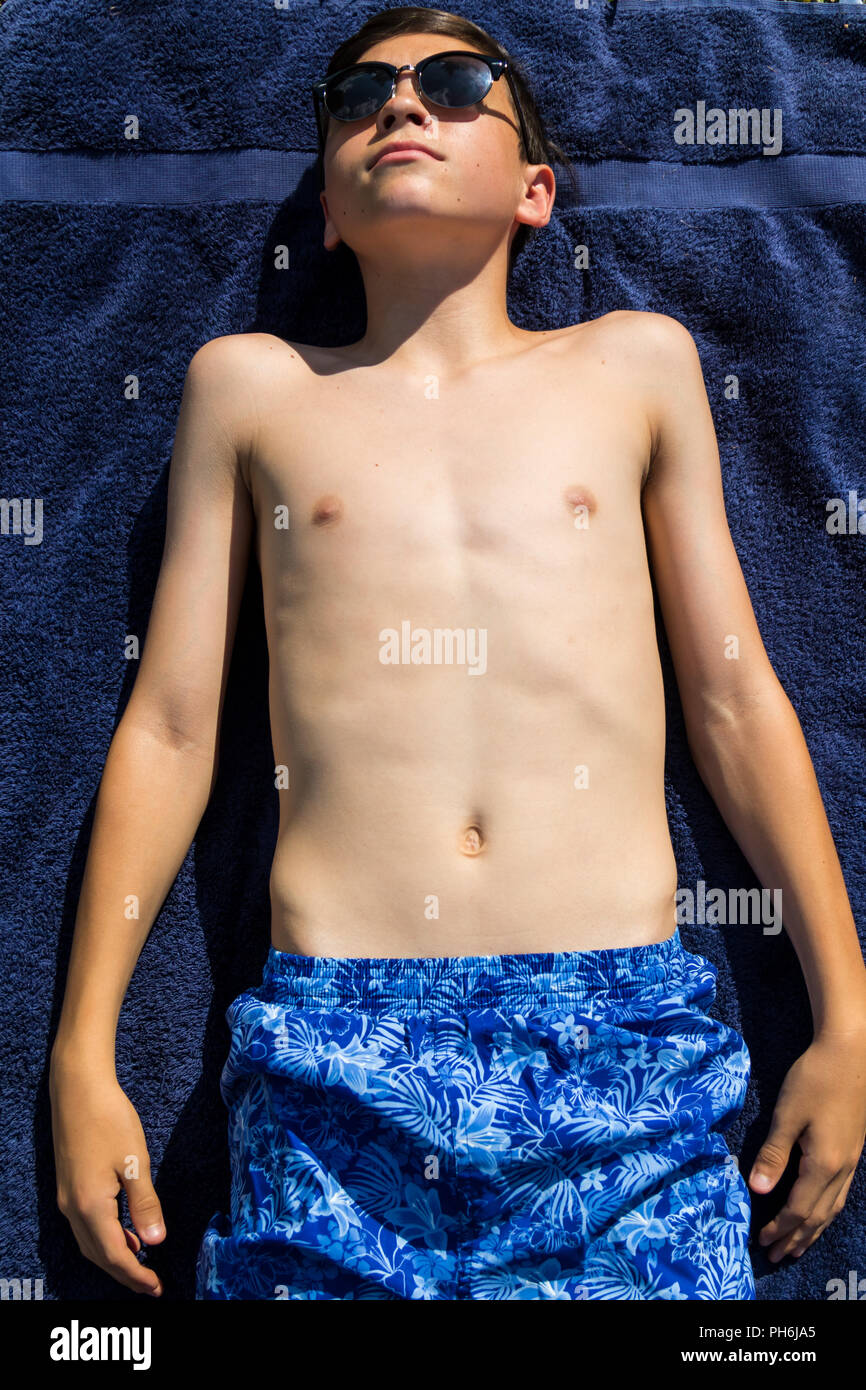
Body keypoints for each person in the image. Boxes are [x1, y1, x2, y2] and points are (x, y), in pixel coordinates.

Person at [50, 6, 866, 1300]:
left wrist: (846, 1015)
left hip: (620, 1043)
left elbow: (730, 690)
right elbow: (170, 725)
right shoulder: (251, 388)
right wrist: (83, 1056)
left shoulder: (632, 367)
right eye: (358, 93)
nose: (399, 105)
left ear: (535, 191)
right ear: (327, 203)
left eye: (453, 81)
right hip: (332, 1042)